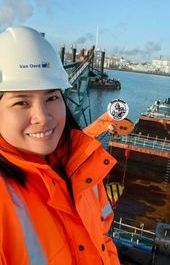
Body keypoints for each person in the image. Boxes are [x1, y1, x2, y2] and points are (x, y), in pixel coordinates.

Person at [0, 26, 120, 264]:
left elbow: (104, 238)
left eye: (52, 97)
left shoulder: (83, 164)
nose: (42, 117)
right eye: (21, 102)